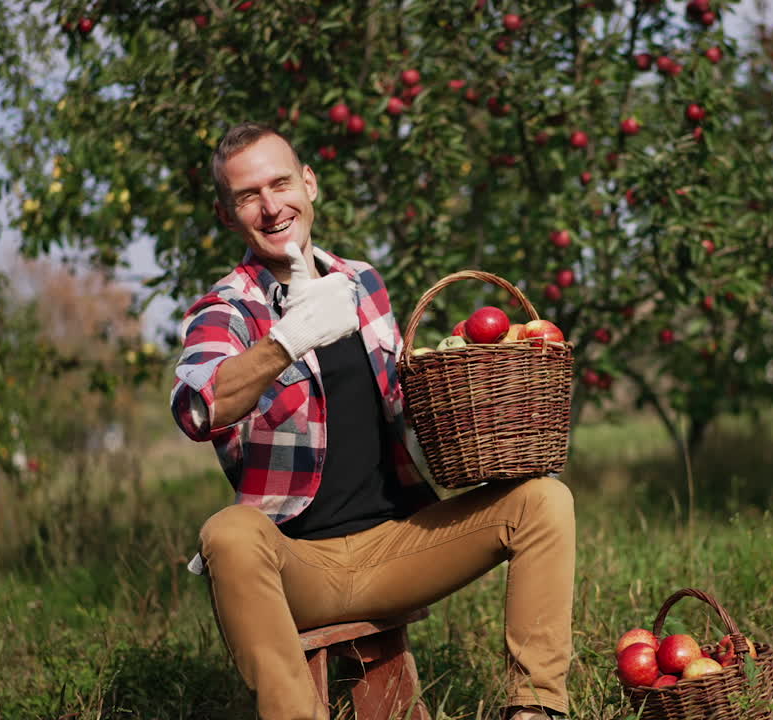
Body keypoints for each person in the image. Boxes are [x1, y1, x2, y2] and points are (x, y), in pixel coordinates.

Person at [170, 121, 576, 720]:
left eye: (280, 184)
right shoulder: (226, 308)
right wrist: (287, 340)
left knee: (543, 502)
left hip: (395, 547)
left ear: (309, 184)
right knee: (227, 534)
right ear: (227, 214)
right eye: (248, 196)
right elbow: (197, 406)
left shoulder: (362, 282)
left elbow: (405, 406)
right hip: (298, 562)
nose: (271, 205)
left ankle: (536, 709)